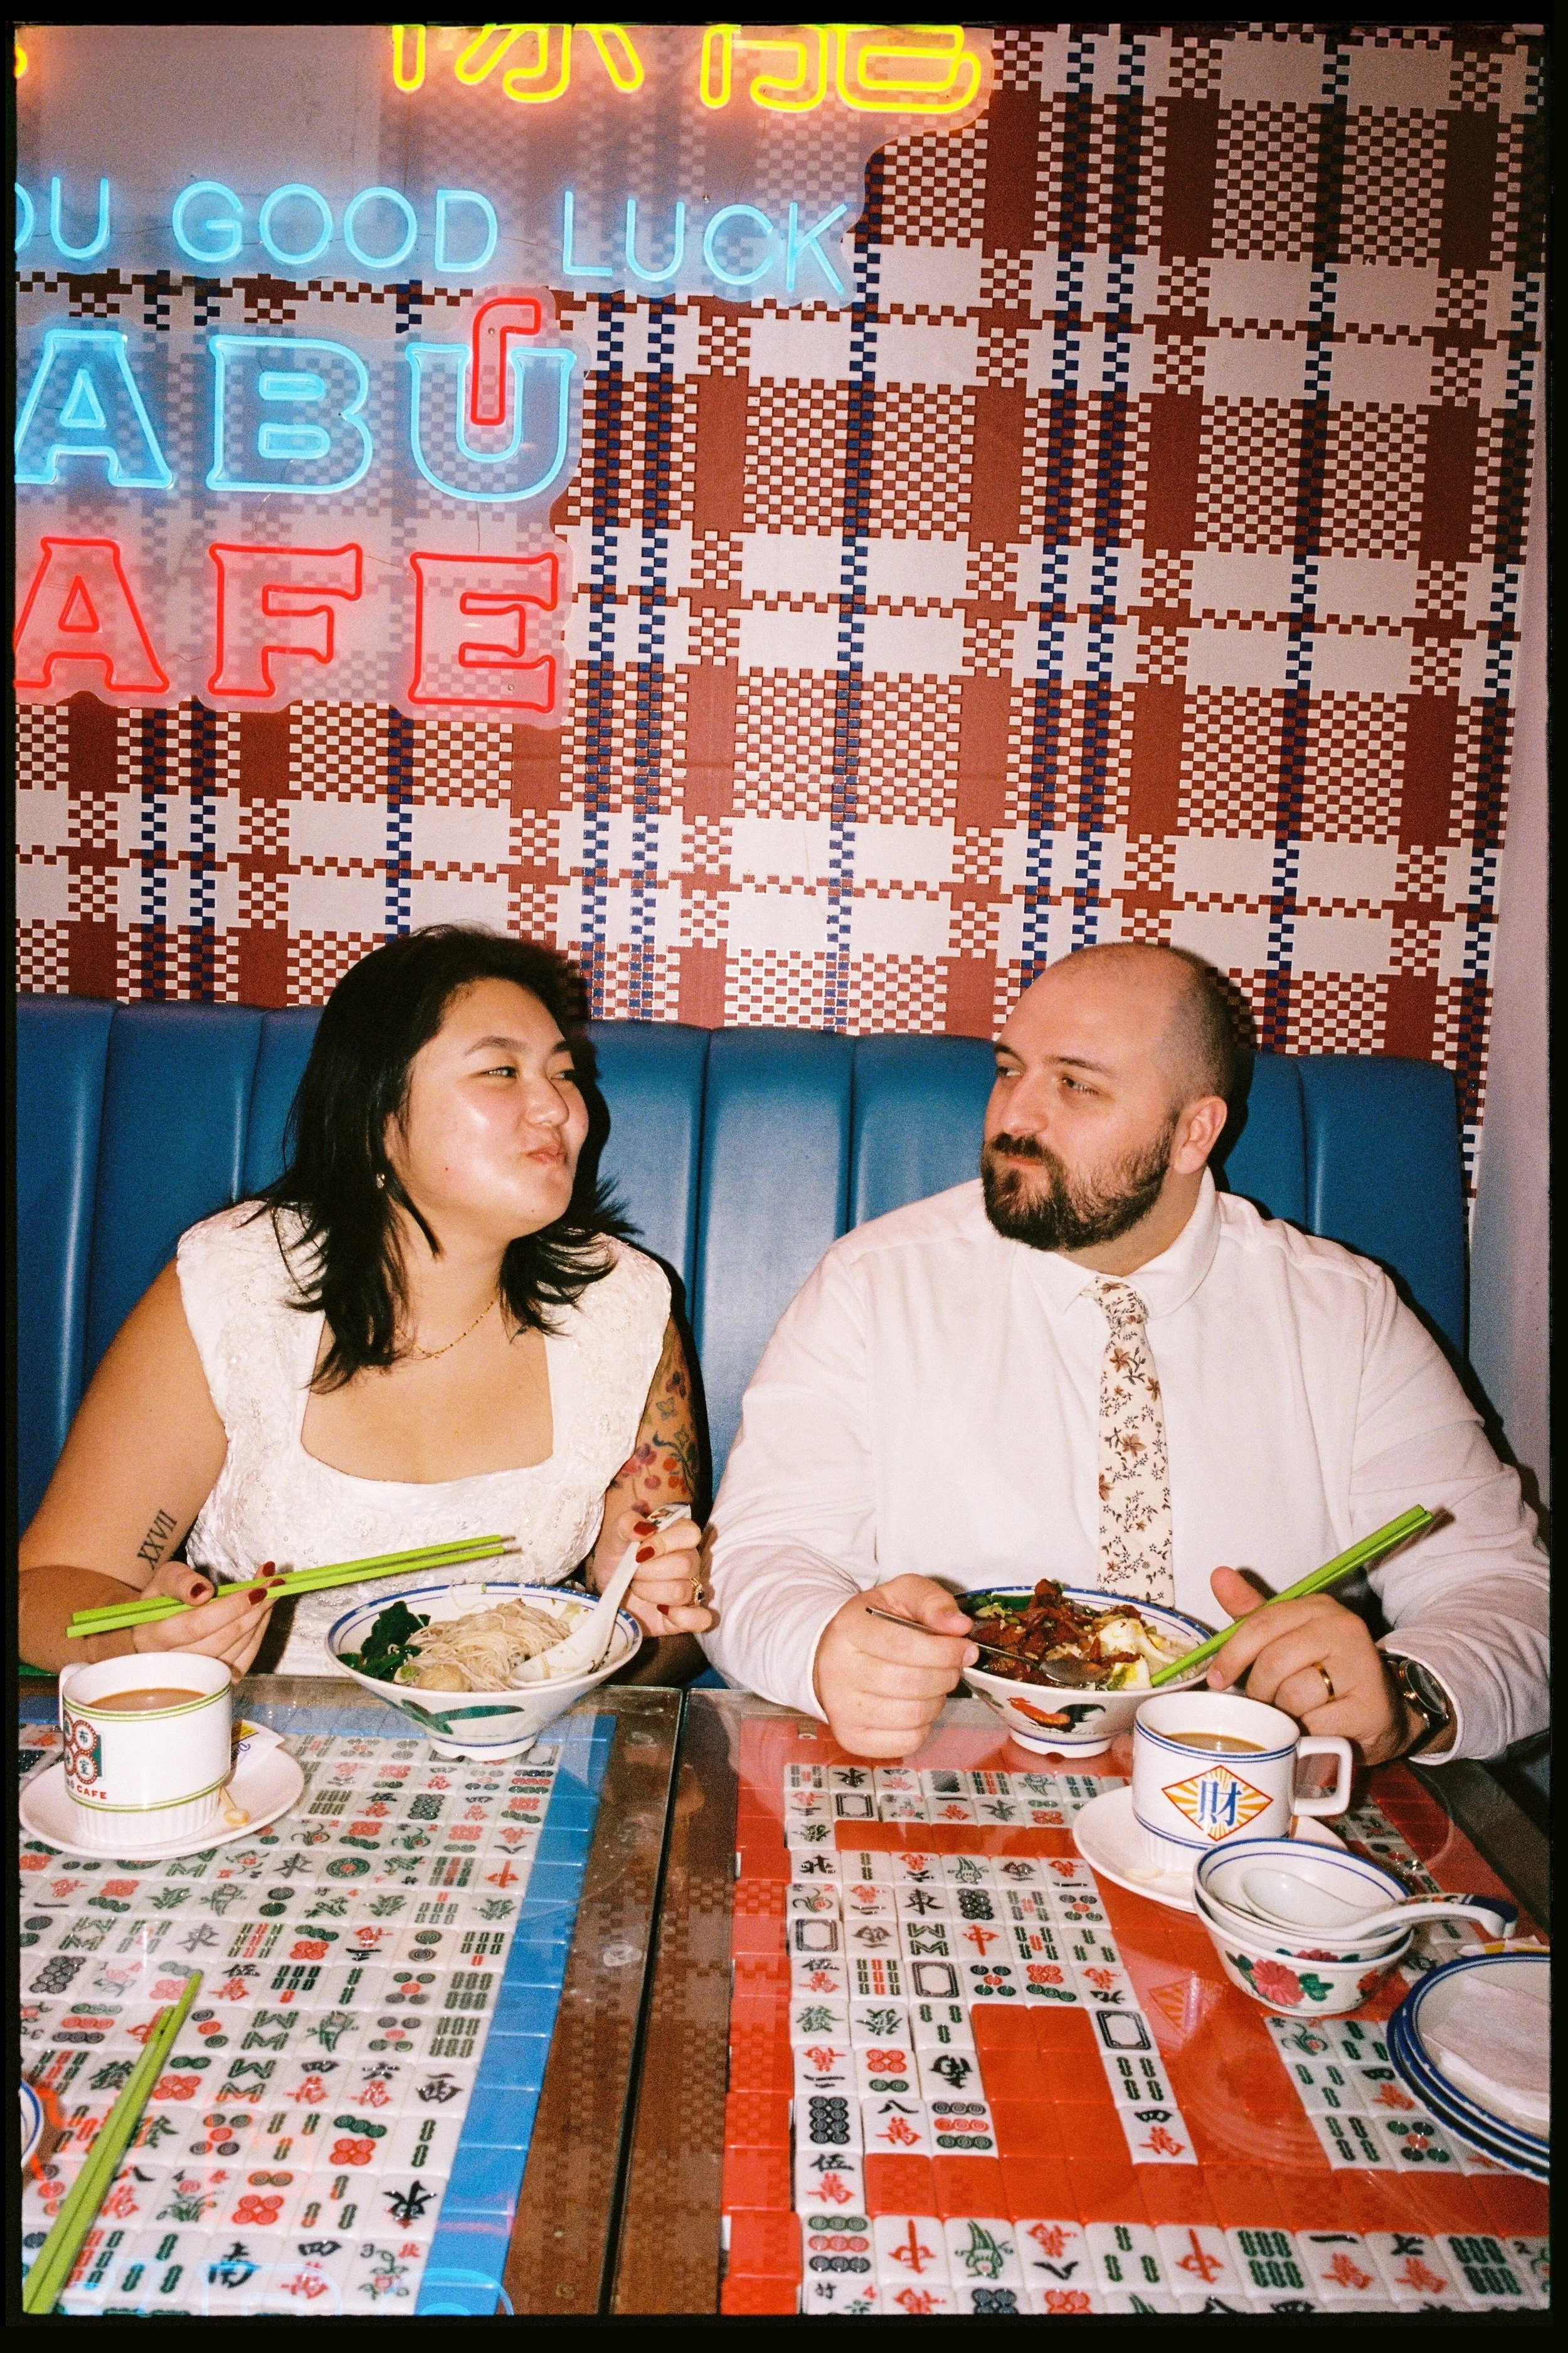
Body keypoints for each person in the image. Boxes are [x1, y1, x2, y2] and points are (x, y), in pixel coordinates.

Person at [702, 942, 1548, 1764]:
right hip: (951, 1775)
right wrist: (823, 1648)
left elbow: (1509, 1591)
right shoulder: (877, 1284)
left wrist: (1406, 1698)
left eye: (1075, 1084)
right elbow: (760, 1556)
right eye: (1008, 1069)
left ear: (1194, 1131)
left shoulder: (1343, 1312)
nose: (1014, 1117)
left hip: (1246, 1800)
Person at [19, 927, 718, 1681]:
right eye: (500, 1070)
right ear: (378, 1114)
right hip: (253, 1760)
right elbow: (50, 1586)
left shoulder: (620, 1304)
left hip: (517, 1762)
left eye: (565, 1073)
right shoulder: (240, 1285)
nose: (557, 1107)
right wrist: (139, 1644)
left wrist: (635, 1604)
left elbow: (671, 1639)